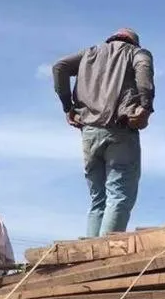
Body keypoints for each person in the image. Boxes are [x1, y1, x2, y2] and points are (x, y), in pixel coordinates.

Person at [52, 28, 155, 238]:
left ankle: (89, 250)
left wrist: (68, 107)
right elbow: (144, 73)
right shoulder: (136, 53)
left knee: (98, 199)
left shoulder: (90, 54)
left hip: (89, 133)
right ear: (133, 42)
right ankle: (104, 251)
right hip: (120, 130)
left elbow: (59, 67)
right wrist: (145, 107)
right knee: (119, 195)